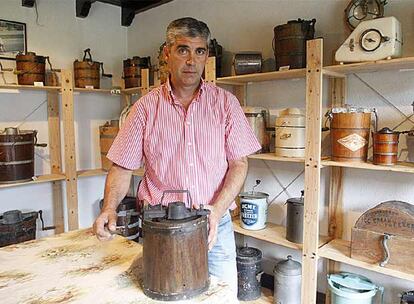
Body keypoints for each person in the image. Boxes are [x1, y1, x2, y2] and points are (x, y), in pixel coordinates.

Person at [93, 17, 261, 295]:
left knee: (223, 294)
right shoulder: (146, 108)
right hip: (162, 228)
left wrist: (217, 210)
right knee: (166, 294)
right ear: (167, 53)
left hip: (214, 223)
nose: (192, 61)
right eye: (183, 50)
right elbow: (122, 166)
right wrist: (109, 208)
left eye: (200, 51)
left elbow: (239, 164)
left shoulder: (225, 103)